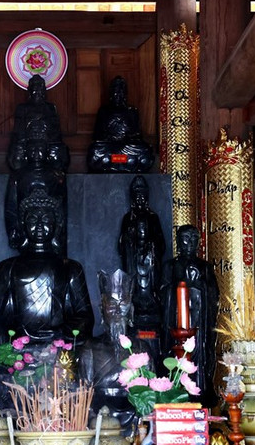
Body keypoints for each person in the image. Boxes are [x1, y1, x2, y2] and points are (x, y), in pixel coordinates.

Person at [0, 188, 94, 354]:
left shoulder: (71, 268)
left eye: (45, 219)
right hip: (19, 346)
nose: (38, 225)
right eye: (32, 219)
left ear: (56, 225)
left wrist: (60, 332)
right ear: (23, 225)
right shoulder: (8, 267)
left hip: (58, 344)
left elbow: (85, 315)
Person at [78, 269, 153, 430]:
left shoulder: (142, 348)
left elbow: (150, 394)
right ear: (102, 310)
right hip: (100, 418)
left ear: (131, 310)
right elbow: (84, 395)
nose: (118, 311)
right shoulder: (90, 348)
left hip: (135, 417)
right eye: (112, 305)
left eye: (123, 305)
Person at [162, 225, 220, 408]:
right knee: (176, 354)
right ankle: (176, 390)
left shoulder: (205, 267)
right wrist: (180, 286)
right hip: (177, 322)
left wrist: (199, 285)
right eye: (185, 238)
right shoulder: (170, 266)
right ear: (178, 241)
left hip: (200, 322)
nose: (189, 243)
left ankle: (200, 391)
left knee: (200, 355)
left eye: (193, 238)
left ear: (199, 242)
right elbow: (162, 292)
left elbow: (215, 294)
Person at [4, 122, 67, 255]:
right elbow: (11, 207)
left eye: (40, 149)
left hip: (49, 224)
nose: (36, 153)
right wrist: (14, 229)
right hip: (27, 224)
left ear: (47, 151)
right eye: (32, 149)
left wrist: (59, 232)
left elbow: (62, 207)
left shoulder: (57, 175)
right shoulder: (18, 176)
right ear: (26, 152)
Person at [118, 176, 166, 330]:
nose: (140, 199)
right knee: (134, 290)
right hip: (134, 259)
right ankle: (135, 310)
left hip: (150, 262)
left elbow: (161, 243)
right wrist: (130, 241)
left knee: (151, 290)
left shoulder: (153, 217)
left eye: (142, 195)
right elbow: (121, 245)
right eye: (136, 195)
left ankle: (151, 309)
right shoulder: (128, 218)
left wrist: (151, 247)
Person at [88, 76, 154, 172]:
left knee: (144, 149)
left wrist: (126, 136)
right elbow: (97, 135)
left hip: (127, 147)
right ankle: (126, 161)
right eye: (116, 92)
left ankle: (113, 161)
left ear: (125, 94)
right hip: (109, 146)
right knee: (95, 150)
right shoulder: (104, 111)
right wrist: (110, 136)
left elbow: (137, 135)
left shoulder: (132, 111)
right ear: (111, 94)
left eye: (121, 92)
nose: (118, 95)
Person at [8, 75, 69, 171]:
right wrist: (31, 128)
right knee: (17, 154)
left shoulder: (50, 107)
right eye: (35, 89)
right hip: (28, 139)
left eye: (40, 89)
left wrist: (45, 131)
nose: (38, 92)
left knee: (57, 154)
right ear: (29, 91)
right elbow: (18, 131)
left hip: (46, 139)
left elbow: (55, 131)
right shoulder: (22, 108)